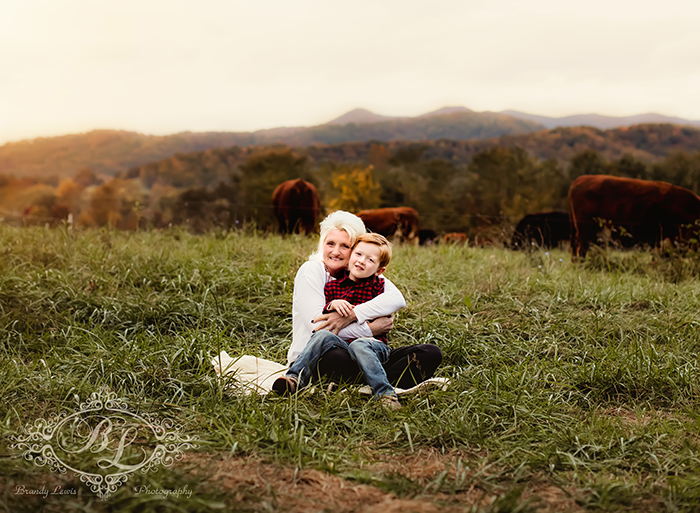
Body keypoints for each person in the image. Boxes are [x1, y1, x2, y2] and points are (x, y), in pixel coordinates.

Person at [281, 210, 442, 394]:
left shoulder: (362, 273)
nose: (336, 251)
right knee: (334, 357)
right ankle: (379, 381)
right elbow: (318, 329)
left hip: (365, 351)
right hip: (317, 356)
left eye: (345, 246)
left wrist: (352, 314)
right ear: (322, 243)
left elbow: (396, 298)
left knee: (430, 353)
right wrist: (370, 329)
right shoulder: (312, 269)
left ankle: (370, 378)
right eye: (330, 243)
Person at [273, 233, 402, 407]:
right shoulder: (332, 286)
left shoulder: (378, 285)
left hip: (372, 345)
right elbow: (322, 319)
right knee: (321, 336)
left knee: (360, 345)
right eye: (358, 254)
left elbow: (397, 300)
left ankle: (385, 394)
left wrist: (354, 314)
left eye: (370, 260)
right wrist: (333, 304)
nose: (362, 261)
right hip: (341, 347)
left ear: (380, 271)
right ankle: (294, 379)